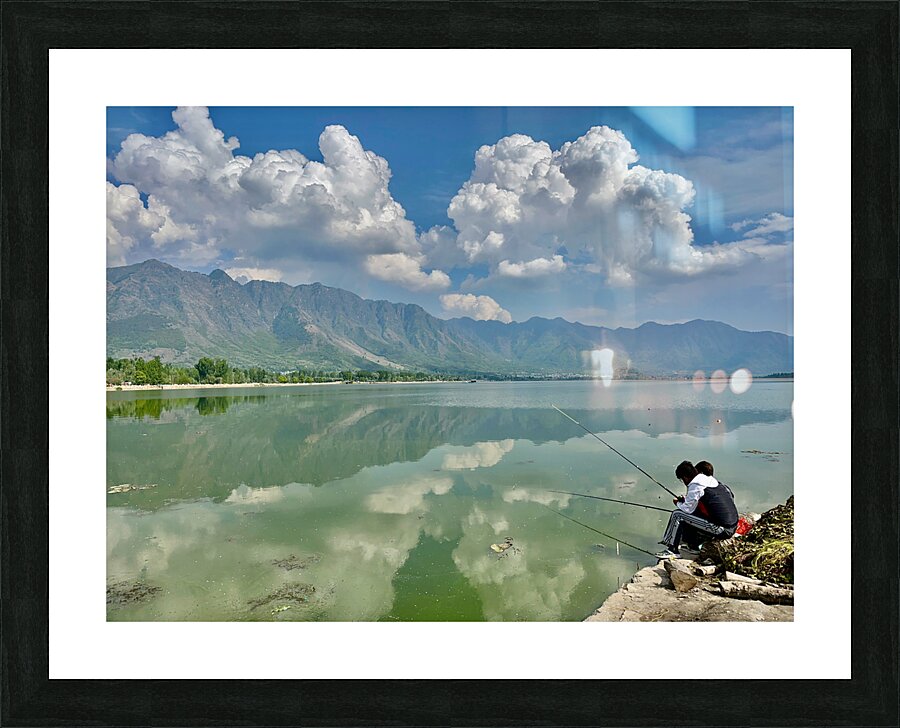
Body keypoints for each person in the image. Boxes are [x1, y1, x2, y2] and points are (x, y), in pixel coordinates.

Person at [655, 460, 739, 558]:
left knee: (677, 514)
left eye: (682, 479)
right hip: (732, 525)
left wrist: (677, 502)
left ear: (685, 477)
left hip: (722, 529)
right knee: (692, 514)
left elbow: (687, 510)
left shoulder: (696, 485)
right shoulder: (708, 480)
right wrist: (685, 500)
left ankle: (672, 549)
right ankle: (693, 546)